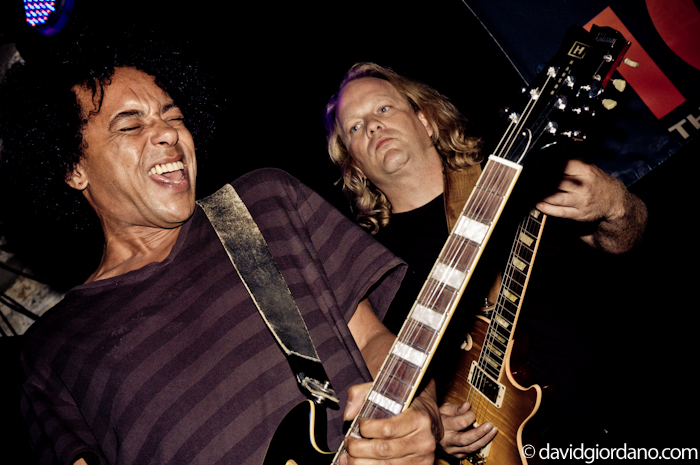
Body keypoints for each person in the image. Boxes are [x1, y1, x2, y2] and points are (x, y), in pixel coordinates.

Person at [0, 34, 443, 464]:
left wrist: (416, 410)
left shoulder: (263, 203)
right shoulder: (51, 351)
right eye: (131, 125)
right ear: (73, 167)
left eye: (174, 117)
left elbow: (373, 339)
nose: (168, 134)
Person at [323, 62, 648, 459]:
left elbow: (626, 242)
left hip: (622, 420)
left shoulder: (512, 176)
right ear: (354, 164)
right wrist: (431, 423)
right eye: (355, 127)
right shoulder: (370, 265)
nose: (373, 126)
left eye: (384, 108)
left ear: (425, 121)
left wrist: (616, 204)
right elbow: (395, 379)